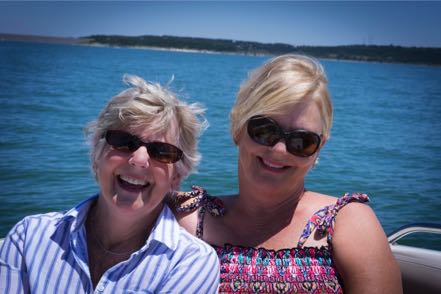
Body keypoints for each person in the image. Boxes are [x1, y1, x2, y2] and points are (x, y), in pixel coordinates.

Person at [172, 55, 402, 293]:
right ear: (237, 128)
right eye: (264, 130)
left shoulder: (348, 223)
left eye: (302, 141)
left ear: (319, 148)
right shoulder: (185, 216)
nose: (279, 150)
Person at [0, 74, 220, 293]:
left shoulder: (191, 263)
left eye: (161, 152)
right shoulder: (30, 237)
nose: (139, 160)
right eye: (124, 142)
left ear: (176, 177)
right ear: (97, 153)